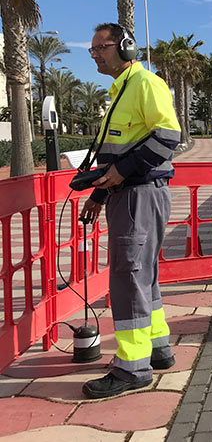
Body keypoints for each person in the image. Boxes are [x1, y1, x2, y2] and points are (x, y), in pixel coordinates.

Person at [79, 23, 181, 398]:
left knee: (128, 278)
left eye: (100, 48)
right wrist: (99, 195)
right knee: (143, 277)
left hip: (140, 195)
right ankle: (157, 350)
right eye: (92, 50)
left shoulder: (145, 84)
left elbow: (168, 137)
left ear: (124, 47)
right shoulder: (122, 89)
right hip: (129, 194)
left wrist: (120, 173)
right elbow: (115, 155)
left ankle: (131, 370)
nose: (95, 55)